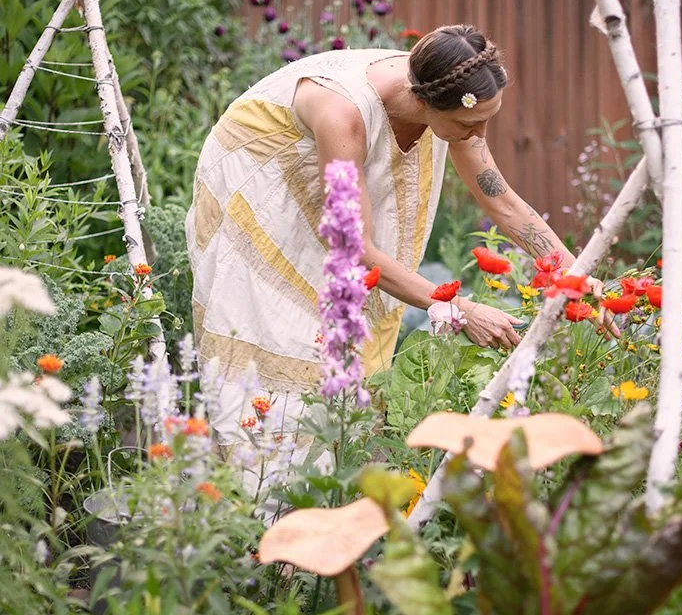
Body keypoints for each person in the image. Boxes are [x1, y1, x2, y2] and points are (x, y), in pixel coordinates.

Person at [186, 24, 575, 474]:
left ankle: (336, 481)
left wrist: (577, 279)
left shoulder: (450, 95)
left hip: (337, 184)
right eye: (472, 123)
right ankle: (266, 490)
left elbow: (502, 202)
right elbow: (354, 249)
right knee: (283, 326)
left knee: (354, 323)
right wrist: (458, 309)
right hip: (264, 186)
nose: (480, 134)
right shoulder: (344, 113)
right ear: (426, 102)